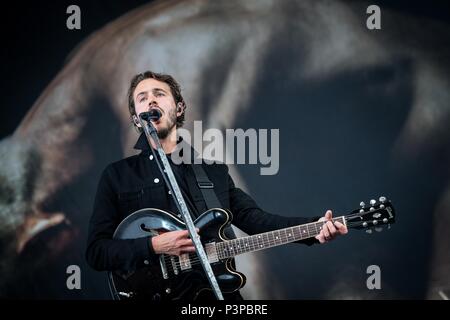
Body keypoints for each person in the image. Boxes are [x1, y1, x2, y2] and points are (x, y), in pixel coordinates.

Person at [85, 71, 348, 300]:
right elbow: (97, 252)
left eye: (159, 94)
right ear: (135, 118)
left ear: (179, 108)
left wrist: (314, 228)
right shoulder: (117, 176)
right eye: (142, 98)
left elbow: (257, 220)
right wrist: (155, 246)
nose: (151, 100)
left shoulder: (213, 173)